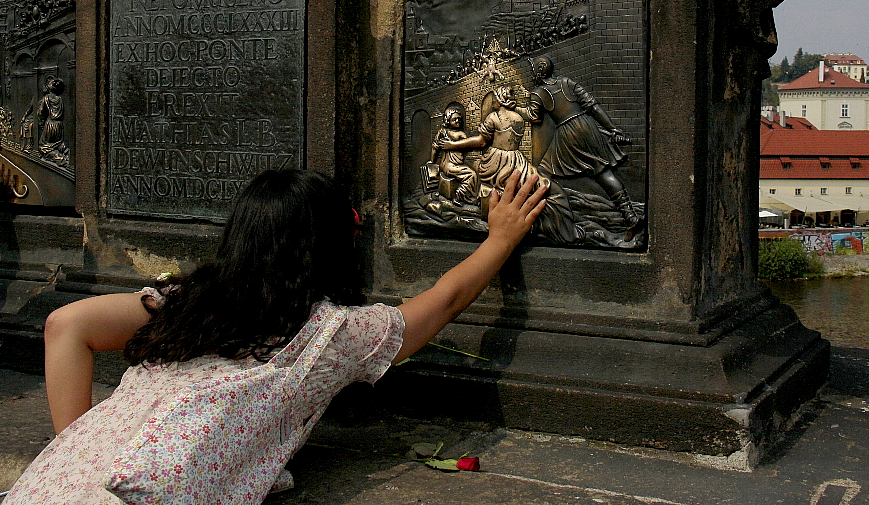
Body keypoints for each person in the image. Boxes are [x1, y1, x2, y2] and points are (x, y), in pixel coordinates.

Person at [5, 168, 547, 504]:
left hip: (46, 487)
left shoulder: (190, 303)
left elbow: (65, 324)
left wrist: (76, 448)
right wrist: (500, 238)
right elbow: (442, 304)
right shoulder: (330, 335)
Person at [439, 86, 579, 245]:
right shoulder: (519, 118)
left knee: (474, 170)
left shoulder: (494, 117)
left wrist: (452, 145)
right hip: (516, 159)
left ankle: (466, 200)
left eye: (494, 100)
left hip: (496, 161)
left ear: (499, 100)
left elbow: (481, 141)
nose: (493, 103)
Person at [523, 55, 638, 228]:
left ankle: (542, 216)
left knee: (544, 170)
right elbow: (593, 107)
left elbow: (534, 118)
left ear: (539, 70)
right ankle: (629, 215)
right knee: (603, 172)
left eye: (533, 69)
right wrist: (612, 128)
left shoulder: (538, 93)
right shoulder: (567, 82)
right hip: (588, 126)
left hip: (567, 132)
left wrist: (517, 107)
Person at [428, 106, 479, 205]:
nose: (458, 121)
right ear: (447, 120)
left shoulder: (442, 132)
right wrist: (432, 162)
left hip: (445, 166)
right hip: (452, 166)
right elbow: (468, 145)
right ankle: (460, 196)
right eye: (454, 119)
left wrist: (432, 162)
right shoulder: (460, 134)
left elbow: (435, 147)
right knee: (471, 175)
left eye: (459, 119)